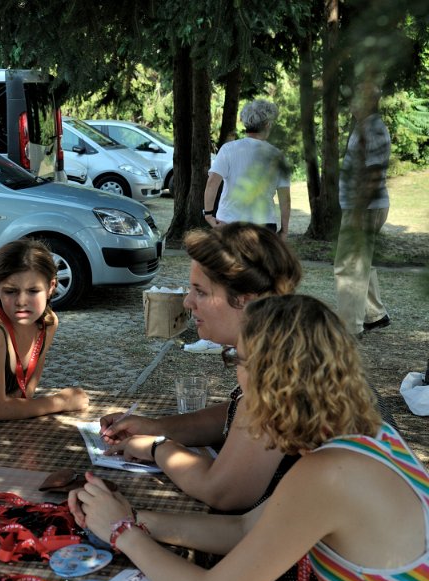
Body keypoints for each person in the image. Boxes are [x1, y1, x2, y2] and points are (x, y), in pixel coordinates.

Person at [71, 294, 429, 581]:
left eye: (237, 360)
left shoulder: (329, 474)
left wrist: (122, 532)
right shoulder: (370, 435)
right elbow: (244, 530)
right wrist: (132, 517)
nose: (237, 377)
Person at [101, 223, 302, 510]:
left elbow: (225, 492)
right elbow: (238, 416)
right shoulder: (279, 345)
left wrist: (158, 448)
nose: (188, 302)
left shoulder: (277, 372)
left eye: (201, 292)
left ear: (246, 300)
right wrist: (157, 427)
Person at [0, 239, 88, 421]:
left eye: (33, 291)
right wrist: (60, 402)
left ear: (51, 287)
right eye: (10, 291)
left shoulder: (48, 323)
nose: (21, 301)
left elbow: (24, 396)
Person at [333, 82, 392, 338]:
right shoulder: (365, 126)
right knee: (360, 262)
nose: (351, 104)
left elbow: (374, 171)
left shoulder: (373, 129)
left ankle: (350, 327)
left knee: (349, 266)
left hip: (364, 207)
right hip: (363, 206)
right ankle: (374, 315)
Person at [203, 99, 291, 238]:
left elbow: (212, 181)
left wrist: (208, 214)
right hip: (265, 225)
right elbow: (285, 198)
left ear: (245, 123)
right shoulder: (277, 156)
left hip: (229, 222)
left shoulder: (228, 149)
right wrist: (284, 229)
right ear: (267, 125)